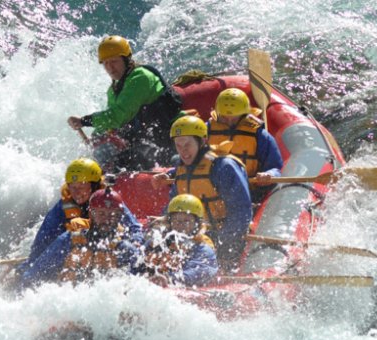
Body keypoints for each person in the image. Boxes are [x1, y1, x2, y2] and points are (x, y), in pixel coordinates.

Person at [152, 115, 252, 272]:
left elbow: (241, 212)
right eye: (178, 146)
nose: (183, 151)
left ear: (203, 141)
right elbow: (174, 206)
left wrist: (223, 244)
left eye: (187, 145)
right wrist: (162, 222)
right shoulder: (181, 169)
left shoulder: (223, 167)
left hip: (227, 236)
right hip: (196, 235)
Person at [67, 35, 182, 171]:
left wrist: (84, 121)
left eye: (114, 61)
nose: (110, 68)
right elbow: (110, 122)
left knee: (121, 165)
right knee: (101, 155)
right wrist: (96, 137)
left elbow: (117, 116)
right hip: (145, 138)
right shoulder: (114, 89)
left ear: (126, 59)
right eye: (106, 63)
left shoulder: (140, 78)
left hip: (168, 137)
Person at [14, 158, 142, 277]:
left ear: (94, 185)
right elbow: (44, 238)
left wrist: (136, 242)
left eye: (81, 187)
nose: (76, 192)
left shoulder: (108, 200)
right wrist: (30, 264)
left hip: (108, 246)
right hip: (74, 250)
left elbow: (134, 227)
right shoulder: (62, 207)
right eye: (72, 187)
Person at [17, 189, 142, 289]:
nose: (107, 220)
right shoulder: (68, 240)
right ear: (91, 214)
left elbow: (140, 283)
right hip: (71, 299)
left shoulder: (124, 249)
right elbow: (35, 272)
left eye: (113, 215)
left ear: (120, 217)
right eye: (102, 214)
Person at [208, 88, 283, 202]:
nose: (229, 122)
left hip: (248, 191)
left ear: (244, 115)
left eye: (233, 118)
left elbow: (276, 168)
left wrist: (269, 174)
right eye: (224, 117)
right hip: (212, 190)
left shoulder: (261, 136)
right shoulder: (206, 130)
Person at [143, 194, 218, 287]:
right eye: (176, 220)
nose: (181, 225)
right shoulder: (158, 242)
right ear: (170, 222)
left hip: (183, 288)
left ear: (197, 224)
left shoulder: (203, 247)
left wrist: (169, 278)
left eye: (187, 221)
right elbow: (139, 262)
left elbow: (201, 271)